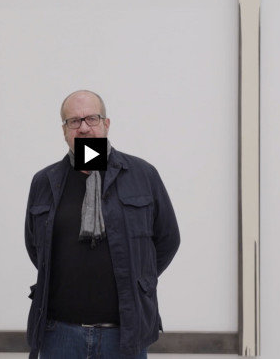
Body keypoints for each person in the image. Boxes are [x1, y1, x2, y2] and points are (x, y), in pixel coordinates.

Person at [25, 90, 180, 359]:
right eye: (74, 121)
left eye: (92, 119)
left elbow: (168, 239)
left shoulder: (143, 175)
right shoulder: (44, 182)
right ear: (64, 131)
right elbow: (36, 247)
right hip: (59, 334)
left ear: (106, 124)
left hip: (123, 334)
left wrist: (138, 279)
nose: (84, 128)